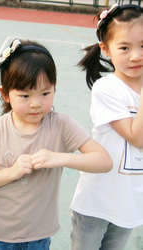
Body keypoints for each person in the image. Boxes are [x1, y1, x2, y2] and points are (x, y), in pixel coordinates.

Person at [0, 38, 112, 250]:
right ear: (5, 94)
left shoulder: (62, 125)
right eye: (25, 95)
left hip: (38, 238)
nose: (36, 103)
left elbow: (104, 161)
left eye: (45, 93)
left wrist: (60, 157)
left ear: (54, 88)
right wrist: (13, 171)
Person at [70, 3, 143, 250]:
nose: (136, 55)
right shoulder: (107, 88)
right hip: (97, 201)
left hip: (131, 203)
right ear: (106, 49)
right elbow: (136, 136)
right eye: (125, 47)